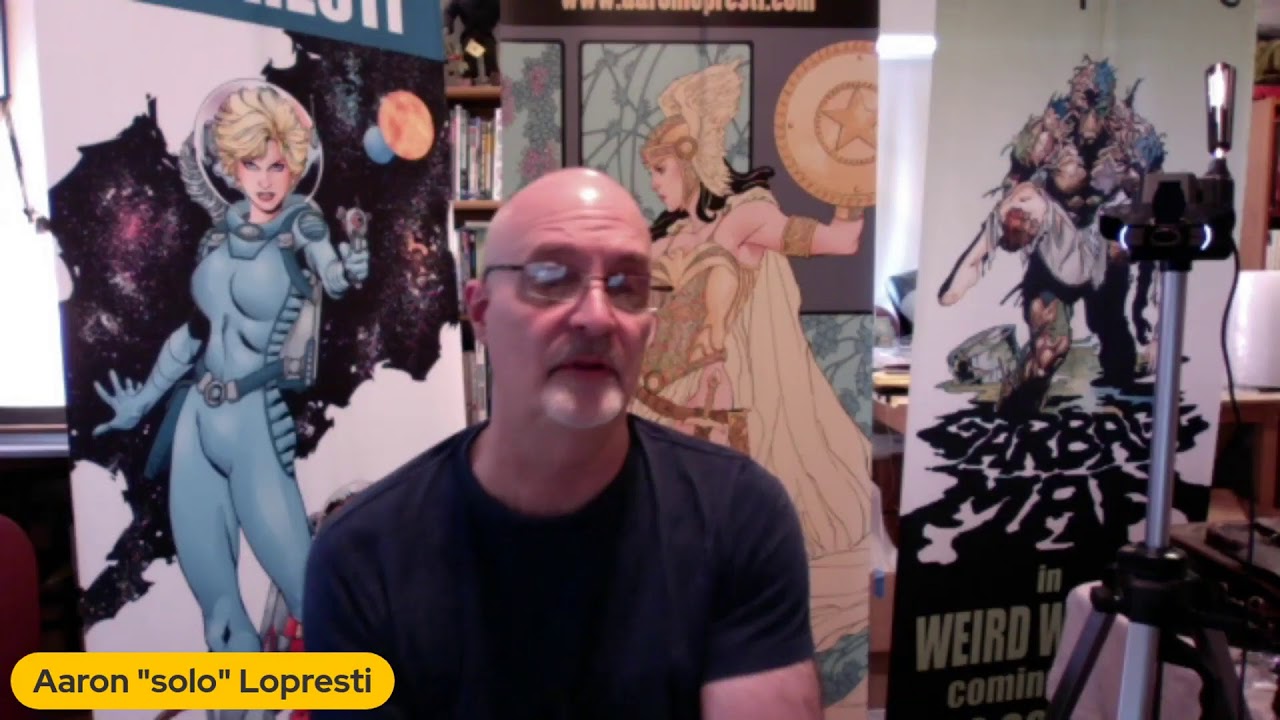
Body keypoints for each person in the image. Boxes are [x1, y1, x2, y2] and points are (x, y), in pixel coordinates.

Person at [303, 166, 822, 719]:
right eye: (551, 276)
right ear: (481, 312)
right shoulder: (359, 557)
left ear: (648, 327)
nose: (597, 317)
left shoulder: (739, 515)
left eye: (625, 285)